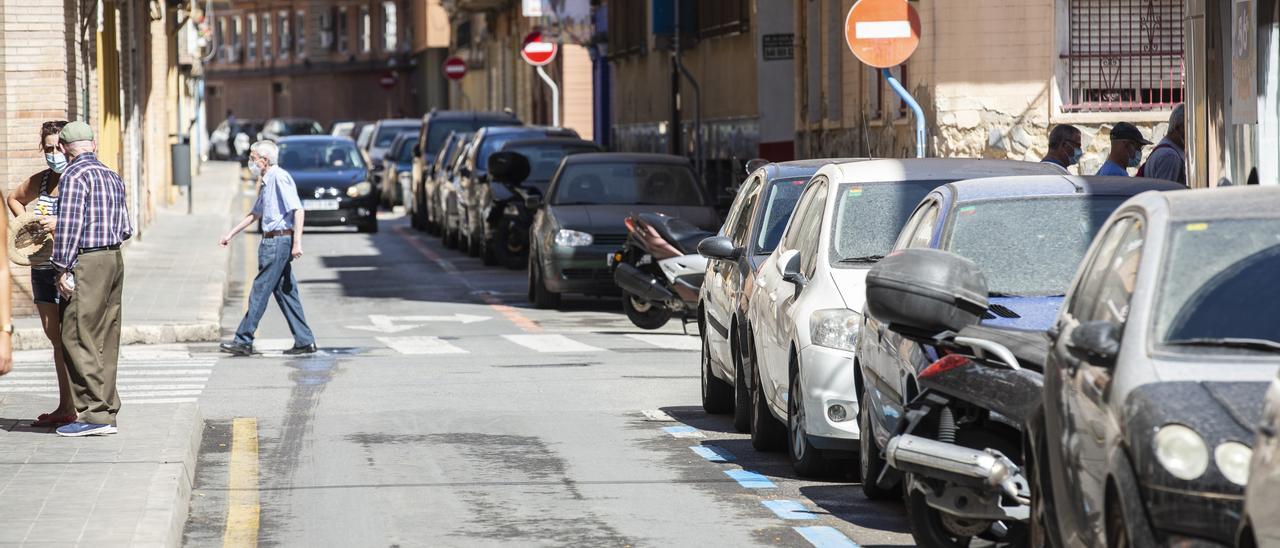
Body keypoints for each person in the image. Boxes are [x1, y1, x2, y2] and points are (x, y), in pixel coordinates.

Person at [50, 121, 132, 437]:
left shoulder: (73, 175)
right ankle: (107, 407)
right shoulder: (111, 175)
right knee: (106, 336)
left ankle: (93, 415)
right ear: (93, 144)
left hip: (88, 260)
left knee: (75, 334)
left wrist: (62, 268)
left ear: (63, 148)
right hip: (114, 258)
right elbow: (126, 226)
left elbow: (70, 225)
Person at [6, 120, 75, 426]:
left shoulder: (77, 178)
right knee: (56, 339)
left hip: (71, 268)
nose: (53, 153)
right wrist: (28, 222)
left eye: (58, 147)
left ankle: (86, 406)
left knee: (76, 339)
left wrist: (60, 225)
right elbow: (13, 197)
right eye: (47, 148)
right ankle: (65, 405)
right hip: (42, 269)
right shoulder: (43, 180)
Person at [218, 140, 316, 357]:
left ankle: (243, 340)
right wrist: (230, 234)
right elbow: (255, 213)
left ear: (264, 160)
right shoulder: (267, 180)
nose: (250, 163)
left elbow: (298, 210)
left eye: (253, 159)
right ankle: (305, 340)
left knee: (259, 291)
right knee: (286, 293)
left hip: (278, 242)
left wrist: (297, 242)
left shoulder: (279, 178)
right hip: (273, 241)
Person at [1137, 104, 1187, 184]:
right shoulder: (1169, 156)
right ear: (1179, 128)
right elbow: (1166, 192)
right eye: (1189, 127)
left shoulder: (1167, 150)